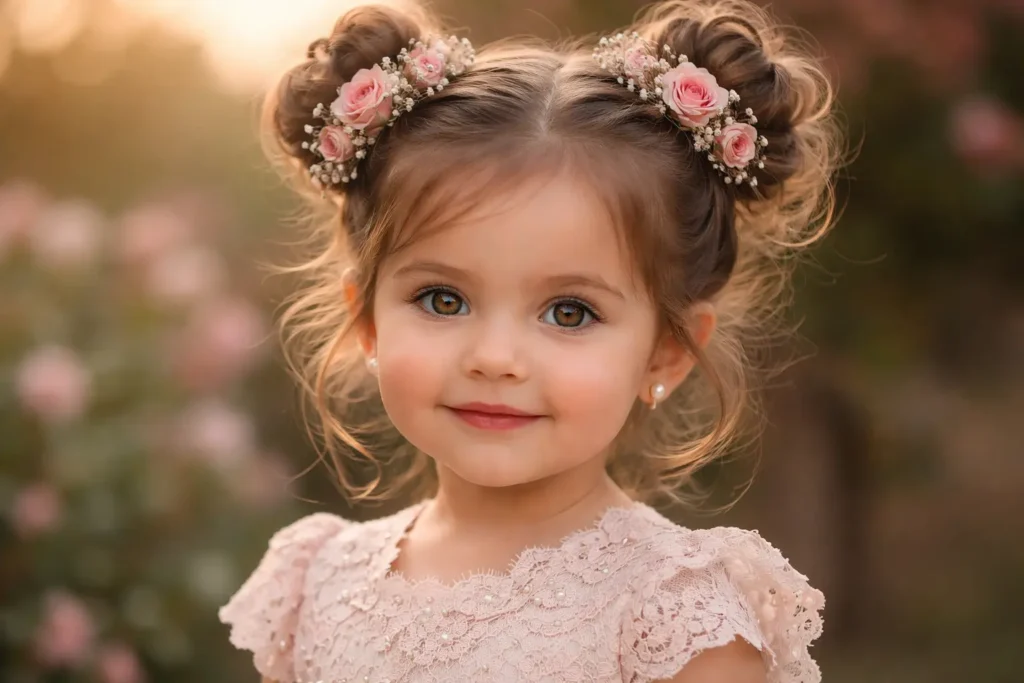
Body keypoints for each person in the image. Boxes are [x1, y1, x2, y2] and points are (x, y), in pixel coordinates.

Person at [219, 0, 842, 681]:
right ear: (368, 319)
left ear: (666, 349)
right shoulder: (316, 582)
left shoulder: (673, 616)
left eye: (569, 313)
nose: (494, 357)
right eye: (442, 299)